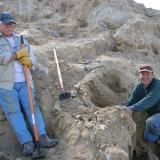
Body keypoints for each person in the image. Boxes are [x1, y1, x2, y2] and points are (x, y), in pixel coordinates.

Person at [0, 12, 58, 157]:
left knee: (33, 109)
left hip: (25, 82)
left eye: (12, 24)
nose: (10, 26)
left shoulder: (21, 39)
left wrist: (30, 61)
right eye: (6, 24)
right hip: (6, 85)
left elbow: (32, 58)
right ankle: (27, 142)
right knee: (13, 113)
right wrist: (17, 55)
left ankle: (42, 137)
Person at [127, 64, 160, 143]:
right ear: (139, 75)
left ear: (152, 75)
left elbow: (150, 99)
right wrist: (122, 109)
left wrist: (132, 108)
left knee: (151, 122)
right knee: (149, 139)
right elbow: (131, 101)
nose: (145, 76)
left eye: (147, 74)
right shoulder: (139, 87)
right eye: (142, 74)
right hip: (155, 114)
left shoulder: (158, 85)